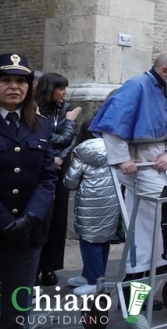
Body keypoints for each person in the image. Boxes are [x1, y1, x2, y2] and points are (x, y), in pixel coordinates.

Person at [89, 53, 167, 279]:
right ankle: (155, 266)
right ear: (164, 71)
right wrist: (123, 159)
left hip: (159, 159)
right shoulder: (136, 85)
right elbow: (112, 124)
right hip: (138, 160)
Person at [0, 53, 57, 329]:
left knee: (17, 307)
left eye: (21, 81)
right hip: (3, 225)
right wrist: (7, 222)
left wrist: (30, 218)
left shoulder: (41, 125)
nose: (15, 86)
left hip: (28, 232)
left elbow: (48, 178)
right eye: (5, 79)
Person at [34, 72, 81, 287]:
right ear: (49, 89)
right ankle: (33, 266)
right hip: (39, 167)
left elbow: (71, 139)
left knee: (58, 218)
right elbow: (43, 136)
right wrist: (50, 155)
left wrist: (60, 157)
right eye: (61, 88)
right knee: (39, 216)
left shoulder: (66, 108)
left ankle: (49, 267)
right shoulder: (34, 109)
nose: (65, 92)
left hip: (60, 167)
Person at [64, 119, 120, 296]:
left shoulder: (82, 151)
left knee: (88, 241)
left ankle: (94, 281)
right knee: (102, 239)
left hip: (90, 203)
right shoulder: (115, 147)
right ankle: (92, 275)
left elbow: (70, 182)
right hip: (111, 201)